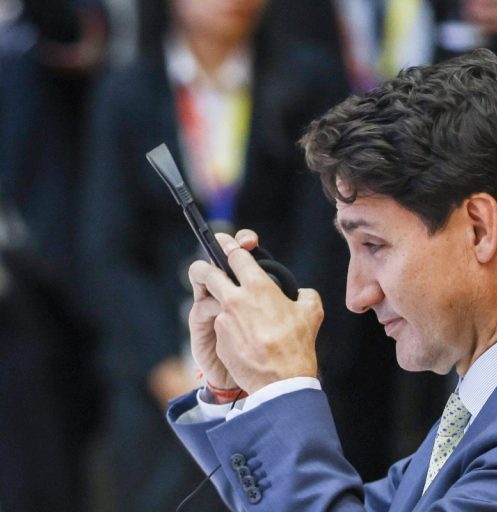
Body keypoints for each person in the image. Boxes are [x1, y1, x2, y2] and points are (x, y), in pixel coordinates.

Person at [167, 49, 497, 511]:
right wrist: (238, 393)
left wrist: (282, 390)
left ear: (479, 228)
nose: (356, 296)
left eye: (374, 245)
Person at [78, 0, 349, 509]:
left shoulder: (309, 80)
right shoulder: (128, 91)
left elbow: (327, 235)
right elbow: (106, 249)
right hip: (158, 361)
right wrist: (160, 366)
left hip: (286, 353)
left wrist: (288, 346)